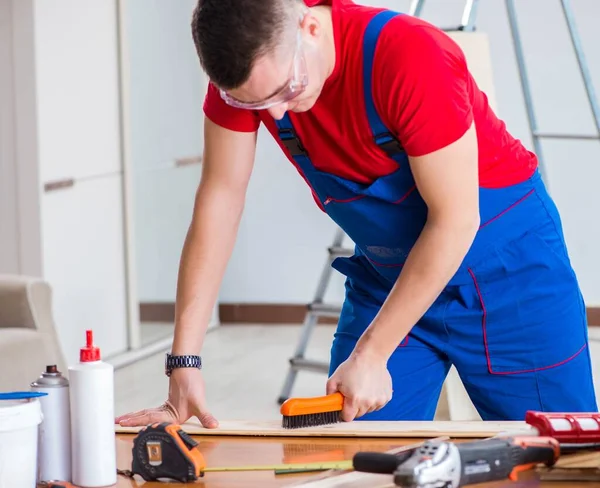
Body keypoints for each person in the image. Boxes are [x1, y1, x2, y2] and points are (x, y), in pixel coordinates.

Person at [115, 0, 598, 429]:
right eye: (257, 103)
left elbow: (455, 220)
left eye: (288, 89)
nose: (278, 115)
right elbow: (219, 199)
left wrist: (371, 353)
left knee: (556, 457)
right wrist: (184, 359)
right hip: (389, 279)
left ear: (310, 25)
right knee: (358, 459)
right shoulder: (250, 79)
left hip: (509, 279)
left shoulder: (410, 56)